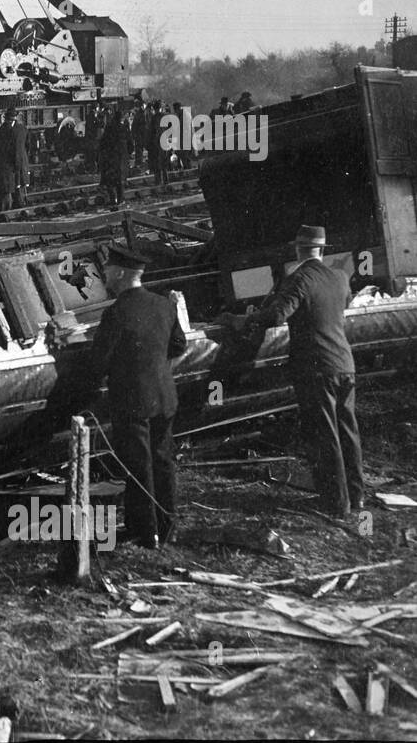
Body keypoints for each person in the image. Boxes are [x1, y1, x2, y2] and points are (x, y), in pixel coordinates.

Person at [219, 225, 365, 520]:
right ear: (322, 249)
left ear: (297, 249)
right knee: (348, 430)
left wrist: (237, 320)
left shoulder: (299, 278)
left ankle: (337, 503)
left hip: (316, 368)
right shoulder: (339, 275)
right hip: (345, 364)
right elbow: (343, 303)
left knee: (325, 434)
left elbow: (276, 315)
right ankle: (357, 497)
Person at [87, 243, 188, 547]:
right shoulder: (164, 305)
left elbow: (98, 363)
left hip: (132, 402)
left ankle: (146, 533)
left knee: (137, 466)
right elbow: (179, 346)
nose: (104, 276)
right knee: (163, 461)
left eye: (107, 271)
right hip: (164, 396)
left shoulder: (116, 313)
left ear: (119, 273)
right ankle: (166, 527)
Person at [98, 110, 130, 205]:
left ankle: (113, 199)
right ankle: (120, 200)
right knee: (119, 180)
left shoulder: (109, 127)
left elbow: (103, 142)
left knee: (109, 180)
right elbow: (129, 143)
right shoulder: (123, 128)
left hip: (110, 157)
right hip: (120, 157)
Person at [9, 109, 30, 205]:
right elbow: (28, 144)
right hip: (23, 156)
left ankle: (19, 201)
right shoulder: (23, 128)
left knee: (16, 180)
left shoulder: (10, 130)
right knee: (23, 180)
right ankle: (24, 199)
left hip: (14, 157)